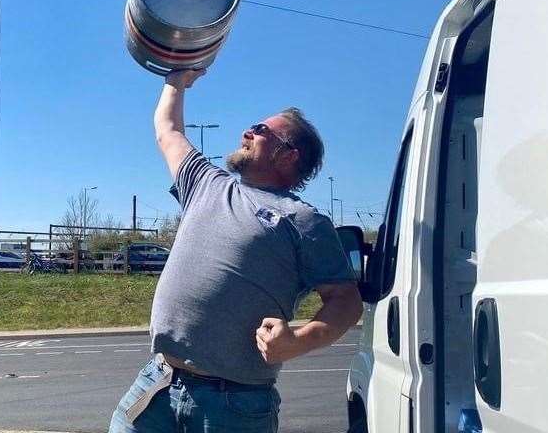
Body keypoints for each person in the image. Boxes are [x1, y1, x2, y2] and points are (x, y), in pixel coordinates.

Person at [109, 69, 363, 433]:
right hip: (158, 381)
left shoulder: (304, 220)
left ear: (288, 154)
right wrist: (176, 79)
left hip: (234, 405)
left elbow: (346, 301)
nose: (247, 131)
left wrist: (297, 340)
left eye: (261, 130)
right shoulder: (205, 183)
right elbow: (169, 130)